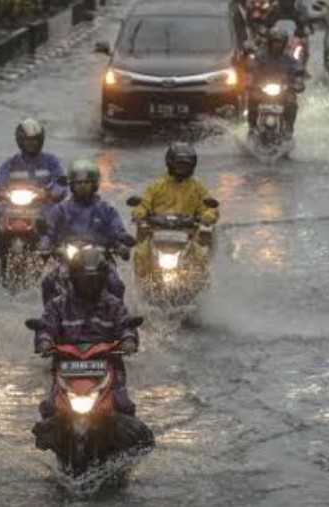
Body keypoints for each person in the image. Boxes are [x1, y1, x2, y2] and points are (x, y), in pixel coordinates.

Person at [32, 248, 140, 445]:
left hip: (107, 366)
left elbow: (126, 326)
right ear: (73, 279)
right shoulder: (58, 305)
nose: (89, 286)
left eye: (94, 281)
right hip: (67, 367)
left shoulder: (114, 305)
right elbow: (45, 327)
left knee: (123, 405)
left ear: (103, 280)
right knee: (49, 408)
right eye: (84, 280)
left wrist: (128, 340)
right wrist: (44, 342)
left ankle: (128, 447)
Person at [39, 158, 132, 304]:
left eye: (87, 183)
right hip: (68, 260)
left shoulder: (106, 209)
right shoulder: (61, 210)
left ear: (94, 184)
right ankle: (51, 316)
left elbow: (117, 230)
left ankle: (117, 315)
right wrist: (45, 246)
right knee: (48, 282)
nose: (83, 186)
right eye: (79, 183)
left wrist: (121, 244)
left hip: (101, 261)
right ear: (72, 185)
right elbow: (48, 232)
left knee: (116, 284)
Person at [0, 119, 68, 273]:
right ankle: (0, 254)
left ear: (41, 140)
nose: (32, 143)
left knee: (58, 217)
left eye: (35, 140)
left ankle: (55, 254)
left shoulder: (51, 161)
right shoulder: (11, 163)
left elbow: (61, 182)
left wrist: (51, 193)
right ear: (20, 141)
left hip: (43, 205)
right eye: (28, 140)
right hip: (13, 206)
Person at [130, 143, 219, 280]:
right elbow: (143, 203)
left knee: (200, 257)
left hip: (188, 235)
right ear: (170, 164)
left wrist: (208, 215)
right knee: (141, 254)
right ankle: (142, 283)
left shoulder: (198, 187)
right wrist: (139, 212)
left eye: (186, 165)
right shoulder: (156, 186)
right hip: (157, 234)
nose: (182, 169)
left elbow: (209, 206)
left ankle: (197, 284)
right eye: (179, 165)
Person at [246, 27, 305, 131]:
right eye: (275, 41)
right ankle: (252, 127)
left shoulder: (290, 60)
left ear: (284, 43)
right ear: (270, 42)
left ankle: (289, 128)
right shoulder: (261, 57)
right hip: (262, 91)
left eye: (279, 42)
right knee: (252, 99)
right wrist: (250, 83)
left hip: (283, 92)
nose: (277, 45)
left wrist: (298, 83)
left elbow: (297, 72)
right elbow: (252, 71)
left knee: (291, 102)